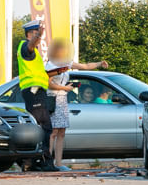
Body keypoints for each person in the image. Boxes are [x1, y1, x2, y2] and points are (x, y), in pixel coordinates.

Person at [45, 39, 108, 171]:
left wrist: (99, 63)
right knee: (53, 132)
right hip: (52, 98)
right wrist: (63, 88)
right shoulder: (50, 65)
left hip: (62, 100)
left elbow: (85, 66)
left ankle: (59, 163)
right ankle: (48, 162)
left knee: (62, 132)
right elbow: (47, 83)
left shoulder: (66, 63)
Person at [17, 20, 58, 171]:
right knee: (45, 127)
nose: (39, 39)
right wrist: (39, 35)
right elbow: (30, 45)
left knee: (37, 127)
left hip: (36, 92)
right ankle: (44, 163)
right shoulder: (25, 47)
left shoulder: (34, 55)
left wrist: (58, 71)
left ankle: (30, 162)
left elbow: (41, 74)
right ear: (30, 34)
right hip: (33, 91)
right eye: (37, 35)